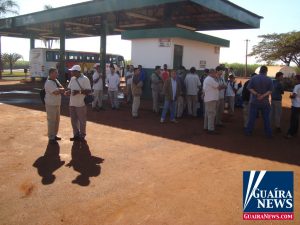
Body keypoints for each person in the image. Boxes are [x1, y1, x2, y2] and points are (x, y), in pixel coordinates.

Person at [245, 66, 273, 138]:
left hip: (254, 101)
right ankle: (269, 134)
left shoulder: (254, 78)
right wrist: (263, 96)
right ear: (266, 71)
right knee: (266, 118)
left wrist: (257, 94)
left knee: (252, 118)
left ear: (259, 71)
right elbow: (270, 91)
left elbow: (249, 88)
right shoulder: (269, 79)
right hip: (265, 102)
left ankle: (248, 132)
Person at [66, 65, 92, 142]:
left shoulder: (85, 79)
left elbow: (89, 91)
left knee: (82, 121)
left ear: (77, 72)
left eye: (73, 71)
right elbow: (70, 89)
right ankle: (76, 135)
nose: (71, 72)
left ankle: (82, 136)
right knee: (73, 121)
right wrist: (68, 92)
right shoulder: (72, 79)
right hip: (72, 103)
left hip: (81, 104)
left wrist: (79, 92)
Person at [44, 68, 65, 144]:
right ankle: (51, 137)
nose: (57, 74)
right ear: (51, 73)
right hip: (51, 104)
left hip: (57, 103)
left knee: (57, 121)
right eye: (56, 73)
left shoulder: (55, 80)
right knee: (51, 121)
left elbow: (62, 88)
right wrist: (60, 90)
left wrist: (59, 89)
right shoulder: (49, 82)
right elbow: (56, 92)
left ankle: (54, 135)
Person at [203, 69, 226, 134]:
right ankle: (210, 129)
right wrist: (224, 86)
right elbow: (218, 87)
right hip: (211, 99)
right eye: (215, 73)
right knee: (211, 114)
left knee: (208, 114)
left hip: (209, 99)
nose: (216, 74)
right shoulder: (210, 79)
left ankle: (206, 127)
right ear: (212, 73)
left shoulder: (208, 79)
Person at [285, 75, 300, 139]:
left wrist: (291, 96)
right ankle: (295, 132)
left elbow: (294, 95)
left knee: (293, 120)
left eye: (295, 79)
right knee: (296, 120)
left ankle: (290, 133)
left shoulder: (297, 86)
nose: (294, 80)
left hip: (296, 105)